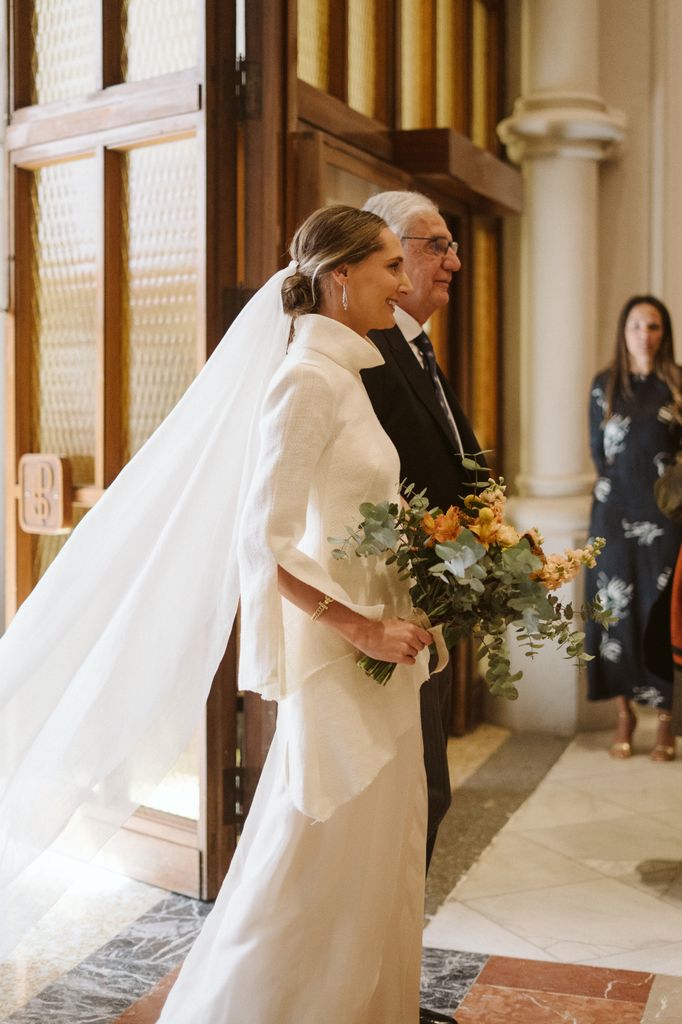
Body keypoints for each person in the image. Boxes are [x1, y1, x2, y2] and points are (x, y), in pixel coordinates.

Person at [0, 204, 452, 1021]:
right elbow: (263, 540)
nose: (401, 281)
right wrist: (361, 626)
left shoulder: (347, 375)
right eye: (389, 264)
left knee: (376, 856)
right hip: (343, 658)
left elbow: (350, 516)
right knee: (310, 860)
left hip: (384, 653)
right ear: (338, 277)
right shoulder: (307, 380)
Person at [360, 192, 479, 875]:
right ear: (393, 253)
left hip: (425, 609)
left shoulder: (417, 349)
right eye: (437, 245)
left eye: (450, 245)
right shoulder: (365, 355)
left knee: (426, 796)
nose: (453, 261)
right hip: (380, 608)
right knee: (413, 798)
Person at [585, 295, 682, 761]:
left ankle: (667, 719)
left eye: (655, 327)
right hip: (613, 517)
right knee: (613, 614)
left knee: (660, 616)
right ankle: (625, 714)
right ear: (624, 332)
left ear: (665, 334)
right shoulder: (604, 386)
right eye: (637, 326)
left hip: (666, 520)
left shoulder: (679, 385)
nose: (646, 335)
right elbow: (598, 455)